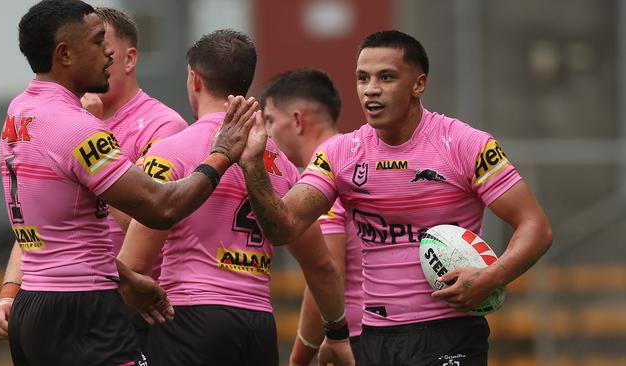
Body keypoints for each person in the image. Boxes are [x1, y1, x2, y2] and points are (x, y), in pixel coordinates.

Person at [239, 30, 553, 365]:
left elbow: (535, 227)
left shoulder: (464, 144)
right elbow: (283, 227)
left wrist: (493, 276)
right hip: (375, 339)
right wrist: (252, 165)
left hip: (450, 332)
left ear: (418, 85)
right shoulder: (339, 153)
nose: (371, 89)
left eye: (386, 77)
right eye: (363, 78)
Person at [0, 1, 256, 365]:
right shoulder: (78, 127)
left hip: (36, 302)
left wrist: (122, 276)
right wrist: (222, 154)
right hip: (82, 311)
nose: (107, 53)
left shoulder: (19, 110)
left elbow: (61, 232)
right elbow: (161, 207)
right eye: (97, 42)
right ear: (65, 54)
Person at [117, 30, 354, 366]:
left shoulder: (171, 151)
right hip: (257, 324)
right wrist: (336, 333)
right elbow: (321, 266)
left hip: (189, 317)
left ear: (194, 79)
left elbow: (134, 264)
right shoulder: (280, 162)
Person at [0, 6, 188, 345]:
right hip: (78, 304)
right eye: (95, 45)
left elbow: (146, 221)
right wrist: (9, 293)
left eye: (106, 45)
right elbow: (39, 223)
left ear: (129, 59)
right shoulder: (59, 120)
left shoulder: (162, 126)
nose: (104, 55)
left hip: (124, 309)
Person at [259, 68, 364, 365]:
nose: (266, 133)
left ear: (296, 120)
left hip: (355, 339)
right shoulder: (358, 158)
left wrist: (299, 358)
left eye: (269, 120)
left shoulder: (322, 176)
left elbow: (326, 268)